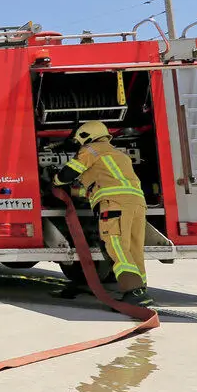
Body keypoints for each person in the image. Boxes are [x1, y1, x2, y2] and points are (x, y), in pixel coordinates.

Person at [52, 120, 153, 307]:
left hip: (114, 203)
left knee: (117, 245)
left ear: (85, 135)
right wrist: (75, 192)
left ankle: (133, 291)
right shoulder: (117, 154)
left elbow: (68, 173)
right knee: (133, 247)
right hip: (137, 203)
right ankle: (141, 289)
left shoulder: (90, 150)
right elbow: (97, 185)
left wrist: (55, 181)